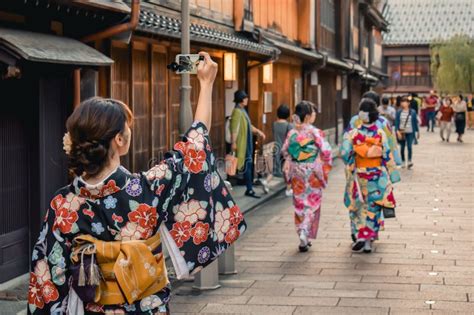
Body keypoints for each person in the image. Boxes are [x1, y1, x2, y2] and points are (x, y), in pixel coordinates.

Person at [28, 52, 247, 314]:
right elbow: (194, 148)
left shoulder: (62, 205)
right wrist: (207, 84)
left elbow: (46, 281)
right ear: (119, 140)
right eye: (127, 127)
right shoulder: (147, 189)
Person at [341, 98, 399, 253]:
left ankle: (360, 236)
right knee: (373, 209)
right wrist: (393, 175)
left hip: (359, 175)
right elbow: (387, 154)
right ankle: (367, 242)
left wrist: (356, 156)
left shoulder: (352, 134)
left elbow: (345, 154)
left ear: (361, 115)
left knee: (358, 208)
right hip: (377, 176)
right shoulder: (380, 134)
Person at [281, 101, 332, 252]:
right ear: (308, 116)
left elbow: (284, 151)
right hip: (312, 172)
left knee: (299, 203)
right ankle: (305, 231)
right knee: (312, 203)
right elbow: (326, 151)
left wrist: (294, 160)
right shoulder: (315, 132)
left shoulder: (292, 133)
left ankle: (303, 237)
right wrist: (322, 165)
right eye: (313, 113)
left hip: (297, 171)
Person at [230, 90, 266, 198]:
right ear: (241, 99)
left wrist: (259, 131)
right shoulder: (237, 111)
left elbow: (249, 126)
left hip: (246, 142)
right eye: (245, 98)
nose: (247, 100)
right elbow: (234, 129)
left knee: (248, 165)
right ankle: (249, 189)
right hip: (242, 143)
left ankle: (249, 187)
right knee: (247, 165)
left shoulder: (242, 110)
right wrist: (233, 142)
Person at [395, 95, 419, 169]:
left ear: (408, 103)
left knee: (409, 147)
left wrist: (417, 131)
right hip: (402, 132)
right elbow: (397, 122)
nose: (403, 103)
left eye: (405, 102)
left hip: (410, 131)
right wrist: (397, 131)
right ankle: (402, 161)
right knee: (402, 148)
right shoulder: (399, 112)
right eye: (402, 102)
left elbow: (415, 122)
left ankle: (409, 161)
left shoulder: (413, 112)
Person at [273, 104, 293, 178]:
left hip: (277, 147)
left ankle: (277, 173)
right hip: (285, 148)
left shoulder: (274, 124)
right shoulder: (289, 125)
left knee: (277, 165)